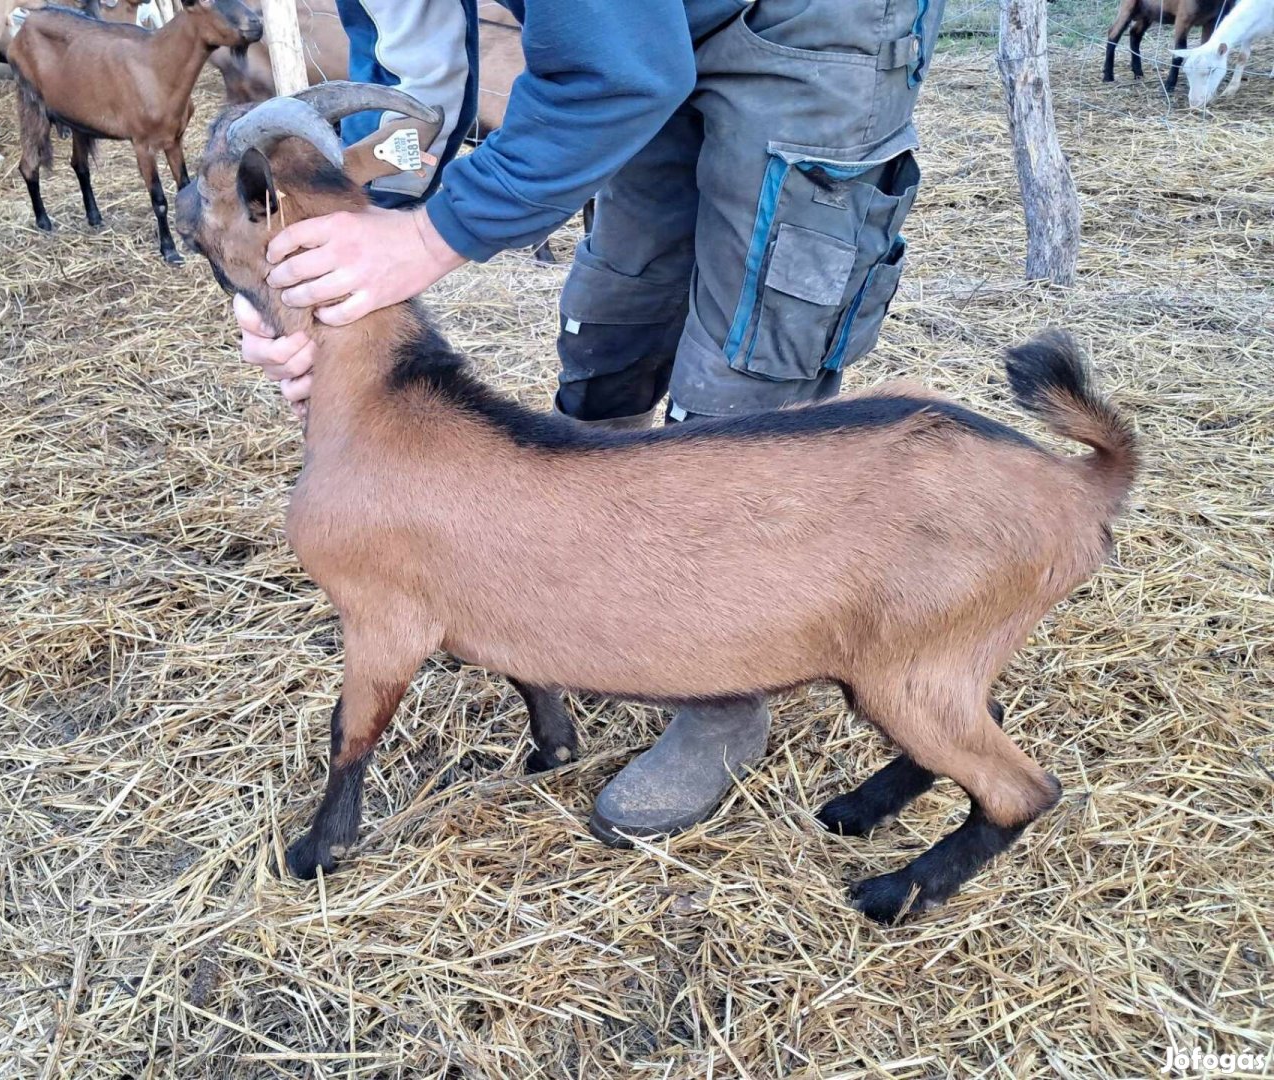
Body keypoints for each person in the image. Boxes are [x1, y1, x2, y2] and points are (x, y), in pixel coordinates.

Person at [235, 0, 948, 845]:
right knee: (615, 312)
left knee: (743, 360)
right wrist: (316, 286)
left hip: (809, 23)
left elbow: (623, 76)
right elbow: (418, 81)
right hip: (643, 25)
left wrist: (429, 238)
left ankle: (720, 696)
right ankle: (591, 582)